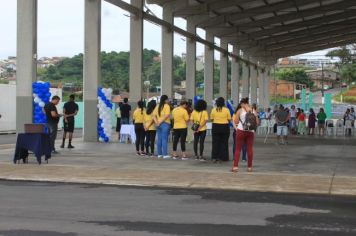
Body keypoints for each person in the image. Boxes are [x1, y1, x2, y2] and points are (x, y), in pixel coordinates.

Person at [232, 97, 259, 172]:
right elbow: (257, 122)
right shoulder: (253, 110)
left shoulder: (240, 110)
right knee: (249, 149)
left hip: (241, 130)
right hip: (250, 131)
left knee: (238, 149)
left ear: (243, 103)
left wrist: (241, 119)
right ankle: (249, 167)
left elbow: (236, 122)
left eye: (241, 104)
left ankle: (235, 167)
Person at [210, 97, 231, 163]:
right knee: (224, 142)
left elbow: (211, 119)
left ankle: (214, 157)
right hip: (224, 127)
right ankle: (224, 157)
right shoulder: (226, 110)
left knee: (215, 142)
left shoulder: (213, 109)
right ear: (223, 102)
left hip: (216, 126)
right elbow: (229, 119)